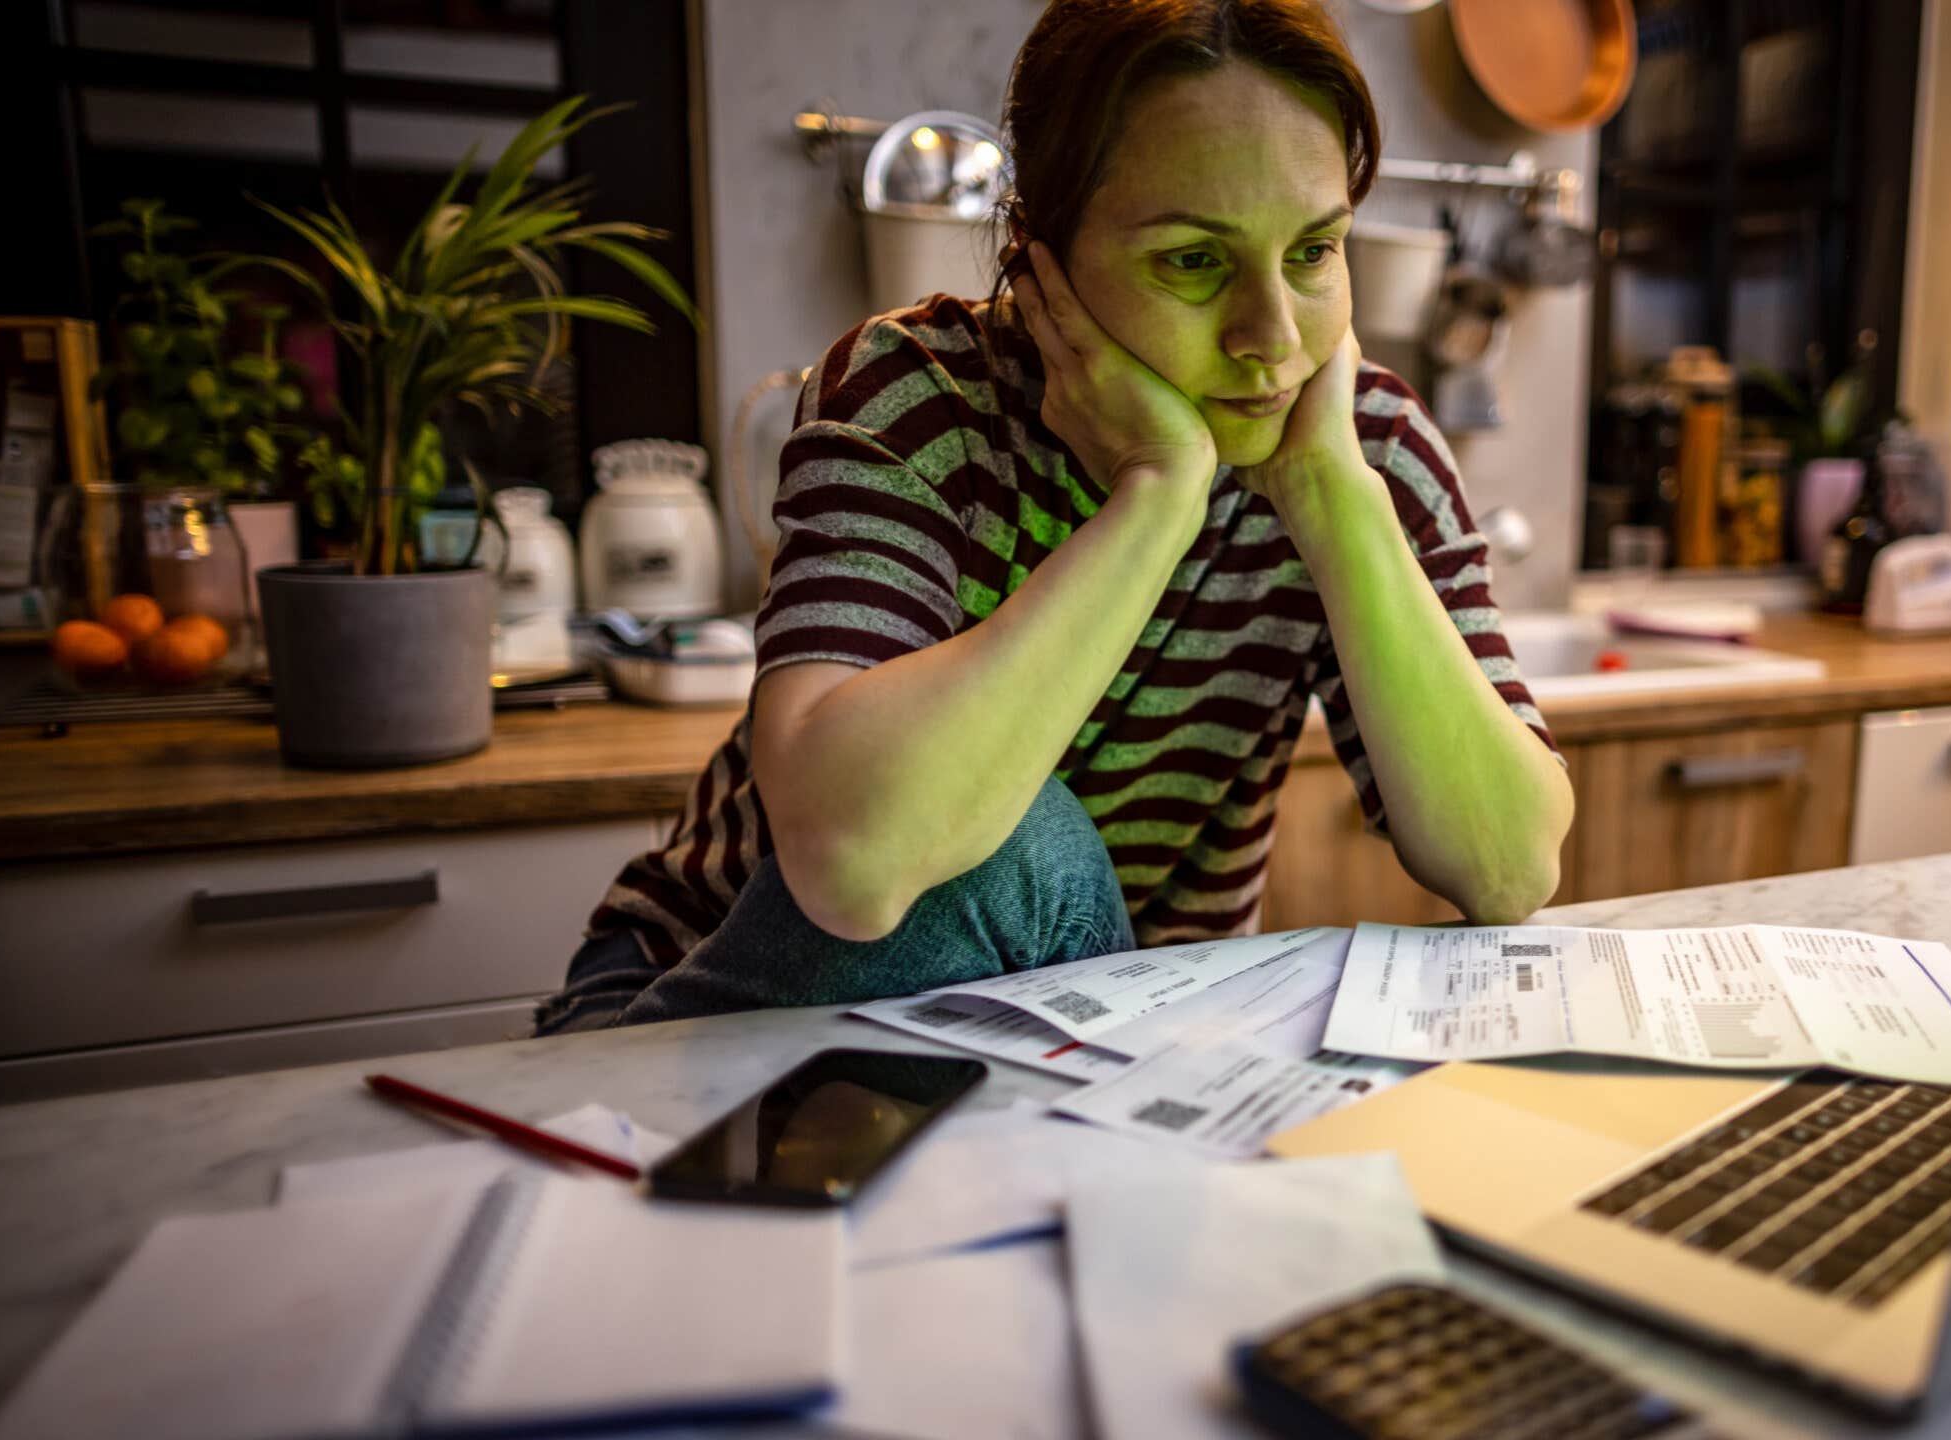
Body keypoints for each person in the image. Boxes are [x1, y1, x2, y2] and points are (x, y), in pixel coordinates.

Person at [534, 0, 1573, 1035]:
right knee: (1015, 840)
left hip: (1082, 1031)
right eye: (1192, 260)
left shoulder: (1361, 446)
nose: (1270, 338)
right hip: (703, 1010)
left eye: (1312, 252)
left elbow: (1508, 867)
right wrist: (1158, 496)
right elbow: (856, 860)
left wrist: (1332, 499)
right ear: (1040, 258)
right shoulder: (916, 395)